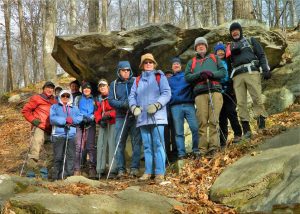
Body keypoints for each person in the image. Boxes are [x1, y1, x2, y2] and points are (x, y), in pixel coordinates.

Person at [128, 53, 171, 184]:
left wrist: (157, 105)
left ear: (154, 64)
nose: (148, 64)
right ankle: (148, 172)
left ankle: (159, 172)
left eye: (150, 62)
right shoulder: (137, 80)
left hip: (157, 117)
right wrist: (133, 107)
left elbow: (167, 93)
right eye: (145, 62)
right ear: (142, 65)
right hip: (142, 118)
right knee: (146, 146)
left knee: (158, 145)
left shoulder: (160, 76)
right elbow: (131, 96)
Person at [227, 22, 271, 139]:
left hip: (251, 71)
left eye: (236, 30)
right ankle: (246, 130)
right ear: (231, 33)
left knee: (256, 97)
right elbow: (227, 64)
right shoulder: (229, 47)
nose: (235, 32)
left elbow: (261, 54)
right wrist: (229, 82)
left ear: (240, 31)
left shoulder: (250, 41)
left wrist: (266, 69)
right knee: (241, 103)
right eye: (232, 31)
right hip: (236, 76)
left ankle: (261, 126)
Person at [185, 37, 226, 157]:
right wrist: (199, 75)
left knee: (214, 120)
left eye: (203, 44)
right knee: (202, 122)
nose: (201, 46)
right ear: (195, 48)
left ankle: (214, 147)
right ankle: (202, 149)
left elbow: (223, 72)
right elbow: (187, 77)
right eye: (198, 45)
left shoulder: (215, 58)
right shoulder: (191, 62)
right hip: (200, 94)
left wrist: (212, 74)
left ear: (206, 47)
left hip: (215, 91)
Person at [108, 61, 142, 179]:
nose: (126, 72)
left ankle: (134, 168)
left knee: (136, 142)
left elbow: (141, 96)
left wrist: (134, 105)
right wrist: (123, 104)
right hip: (121, 117)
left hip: (134, 116)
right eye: (123, 70)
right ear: (119, 71)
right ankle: (121, 169)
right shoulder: (114, 84)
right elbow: (111, 100)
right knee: (119, 143)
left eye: (128, 70)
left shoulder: (135, 81)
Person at [22, 81, 57, 177]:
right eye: (48, 87)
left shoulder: (54, 101)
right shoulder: (37, 98)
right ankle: (31, 171)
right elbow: (25, 111)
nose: (50, 90)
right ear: (44, 88)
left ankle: (45, 170)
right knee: (35, 149)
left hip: (50, 129)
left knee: (52, 153)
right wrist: (33, 120)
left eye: (52, 88)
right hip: (39, 127)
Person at [168, 57, 199, 159]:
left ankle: (196, 149)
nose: (176, 65)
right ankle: (181, 154)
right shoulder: (169, 80)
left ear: (181, 66)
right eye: (174, 64)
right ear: (172, 67)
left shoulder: (187, 77)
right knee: (178, 132)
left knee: (195, 127)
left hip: (189, 104)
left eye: (178, 64)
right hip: (175, 106)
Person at [214, 42, 242, 147]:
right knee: (221, 117)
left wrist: (230, 87)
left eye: (222, 50)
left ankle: (238, 134)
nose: (220, 52)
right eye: (218, 51)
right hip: (218, 92)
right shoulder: (214, 64)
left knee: (231, 112)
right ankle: (222, 141)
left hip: (229, 90)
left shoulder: (229, 61)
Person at [50, 90, 83, 180]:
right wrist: (65, 120)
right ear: (60, 97)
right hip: (58, 134)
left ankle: (68, 176)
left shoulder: (74, 108)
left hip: (71, 134)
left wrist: (72, 120)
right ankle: (56, 176)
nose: (65, 97)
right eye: (63, 96)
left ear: (70, 97)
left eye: (67, 96)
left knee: (71, 156)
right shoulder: (54, 107)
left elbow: (80, 117)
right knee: (58, 156)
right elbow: (52, 118)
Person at [94, 79, 117, 179]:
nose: (102, 87)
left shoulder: (113, 96)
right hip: (103, 123)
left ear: (108, 87)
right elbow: (97, 112)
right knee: (101, 145)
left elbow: (117, 108)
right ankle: (100, 169)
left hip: (112, 123)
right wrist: (99, 120)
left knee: (112, 145)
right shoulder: (100, 100)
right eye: (100, 86)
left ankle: (113, 169)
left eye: (104, 85)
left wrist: (109, 114)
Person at [74, 82, 97, 179]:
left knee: (90, 146)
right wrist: (82, 117)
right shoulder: (78, 98)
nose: (86, 90)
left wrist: (91, 118)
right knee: (78, 146)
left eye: (88, 88)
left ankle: (92, 168)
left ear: (91, 90)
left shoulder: (94, 99)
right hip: (80, 124)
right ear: (82, 90)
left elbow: (97, 110)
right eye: (84, 88)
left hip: (91, 124)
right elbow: (75, 109)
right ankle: (77, 168)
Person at [163, 70, 177, 162]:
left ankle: (175, 153)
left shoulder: (174, 87)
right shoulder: (162, 87)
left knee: (175, 134)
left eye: (170, 75)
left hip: (174, 112)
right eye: (166, 75)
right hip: (165, 114)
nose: (168, 77)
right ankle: (167, 155)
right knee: (166, 136)